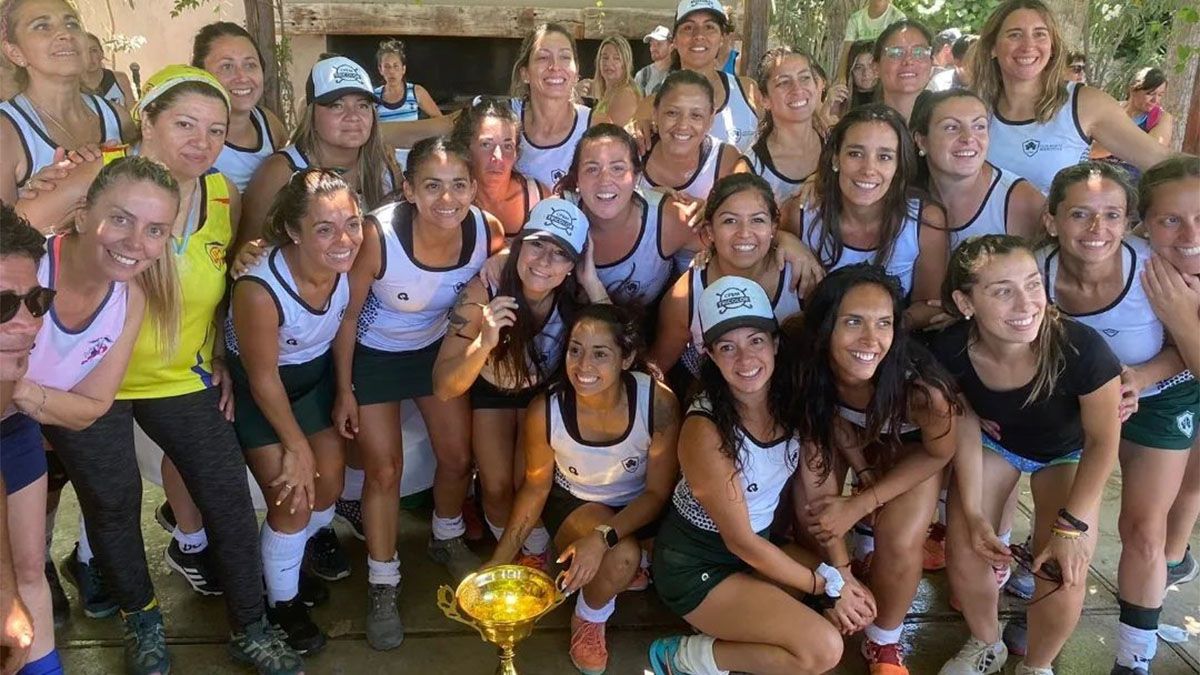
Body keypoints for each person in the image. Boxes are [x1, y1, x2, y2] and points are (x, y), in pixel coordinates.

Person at [331, 136, 504, 649]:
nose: (446, 199)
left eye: (458, 185)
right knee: (384, 469)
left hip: (436, 351)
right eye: (432, 186)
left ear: (474, 188)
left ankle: (445, 535)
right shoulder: (377, 236)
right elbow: (346, 317)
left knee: (457, 457)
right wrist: (344, 388)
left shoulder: (484, 231)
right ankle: (383, 581)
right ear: (408, 189)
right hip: (376, 354)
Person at [646, 275, 855, 675]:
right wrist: (827, 585)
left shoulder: (792, 402)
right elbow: (740, 542)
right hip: (697, 566)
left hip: (756, 551)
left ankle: (730, 624)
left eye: (755, 341)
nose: (744, 360)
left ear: (775, 344)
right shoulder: (703, 428)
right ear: (709, 355)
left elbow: (818, 499)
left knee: (840, 610)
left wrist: (842, 573)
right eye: (728, 347)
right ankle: (681, 657)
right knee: (823, 649)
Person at [934, 234, 1122, 675]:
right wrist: (975, 513)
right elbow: (960, 417)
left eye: (1033, 284)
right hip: (999, 445)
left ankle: (1037, 665)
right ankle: (985, 642)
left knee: (1063, 565)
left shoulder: (1081, 347)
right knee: (965, 540)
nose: (1026, 304)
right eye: (1002, 291)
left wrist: (1072, 528)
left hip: (1067, 455)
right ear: (966, 302)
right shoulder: (951, 348)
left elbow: (1103, 441)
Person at [1036, 162, 1196, 674]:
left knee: (1144, 527)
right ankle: (1046, 626)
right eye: (1080, 214)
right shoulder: (1036, 272)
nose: (1095, 229)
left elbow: (1183, 349)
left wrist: (1141, 378)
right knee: (1063, 524)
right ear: (1052, 220)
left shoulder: (1157, 268)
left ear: (1128, 223)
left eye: (1110, 215)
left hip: (1162, 396)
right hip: (1078, 405)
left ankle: (1134, 658)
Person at [19, 157, 171, 674]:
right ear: (83, 216)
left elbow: (93, 406)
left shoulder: (130, 298)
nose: (135, 242)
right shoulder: (29, 266)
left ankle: (141, 614)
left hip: (30, 402)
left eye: (155, 230)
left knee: (115, 494)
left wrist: (18, 392)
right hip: (19, 411)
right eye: (122, 219)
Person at [485, 304, 681, 675]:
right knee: (622, 558)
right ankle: (590, 618)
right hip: (577, 500)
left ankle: (616, 565)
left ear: (627, 359)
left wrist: (601, 538)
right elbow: (536, 487)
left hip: (642, 505)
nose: (583, 366)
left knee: (656, 566)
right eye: (575, 349)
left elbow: (657, 494)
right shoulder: (548, 409)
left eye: (600, 353)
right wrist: (501, 557)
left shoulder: (658, 402)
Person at [793, 263, 960, 674]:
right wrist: (842, 574)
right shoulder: (806, 364)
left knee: (901, 537)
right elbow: (818, 474)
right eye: (853, 322)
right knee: (807, 508)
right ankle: (835, 592)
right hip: (844, 434)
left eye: (884, 323)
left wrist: (865, 499)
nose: (871, 339)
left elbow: (940, 453)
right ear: (826, 326)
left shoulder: (922, 390)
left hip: (911, 449)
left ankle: (884, 641)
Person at [225, 169, 362, 656]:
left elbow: (346, 321)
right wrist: (296, 446)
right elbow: (262, 378)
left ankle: (296, 553)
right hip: (266, 392)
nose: (343, 238)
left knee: (330, 482)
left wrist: (343, 389)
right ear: (294, 232)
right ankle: (280, 602)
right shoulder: (259, 291)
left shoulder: (350, 260)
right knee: (292, 496)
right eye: (324, 228)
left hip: (316, 378)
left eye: (351, 222)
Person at [433, 198, 609, 574]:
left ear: (572, 266)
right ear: (519, 245)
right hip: (490, 390)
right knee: (496, 485)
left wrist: (592, 280)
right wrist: (484, 342)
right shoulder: (486, 290)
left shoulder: (573, 297)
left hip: (541, 393)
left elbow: (619, 348)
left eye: (560, 254)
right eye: (537, 245)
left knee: (529, 479)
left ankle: (534, 549)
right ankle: (513, 549)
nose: (545, 261)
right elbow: (445, 386)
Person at [970, 0, 1169, 194]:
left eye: (1040, 34)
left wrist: (1144, 225)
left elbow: (1164, 162)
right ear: (992, 47)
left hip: (1053, 228)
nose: (1028, 46)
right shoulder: (970, 107)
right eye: (1015, 35)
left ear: (1053, 46)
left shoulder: (1085, 103)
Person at [784, 103, 951, 330]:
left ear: (899, 166)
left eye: (884, 157)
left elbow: (930, 304)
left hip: (890, 347)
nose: (868, 169)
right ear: (835, 159)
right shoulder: (802, 213)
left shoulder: (924, 220)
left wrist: (874, 331)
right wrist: (783, 238)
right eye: (855, 153)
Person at [239, 55, 399, 251]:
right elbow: (249, 254)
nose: (353, 116)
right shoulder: (281, 172)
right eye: (337, 105)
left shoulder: (385, 166)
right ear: (311, 113)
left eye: (363, 105)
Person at [651, 173, 803, 379]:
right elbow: (656, 369)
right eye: (730, 221)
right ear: (710, 231)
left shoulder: (799, 275)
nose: (744, 233)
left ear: (773, 228)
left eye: (757, 220)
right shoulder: (685, 297)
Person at [0, 0, 133, 216]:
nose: (65, 34)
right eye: (42, 26)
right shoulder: (6, 131)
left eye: (72, 24)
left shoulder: (118, 118)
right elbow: (3, 240)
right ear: (15, 53)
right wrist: (35, 199)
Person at [0, 203, 57, 675]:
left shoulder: (6, 364)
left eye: (36, 301)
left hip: (10, 429)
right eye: (2, 306)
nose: (28, 323)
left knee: (30, 570)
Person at [1138, 156, 1200, 590]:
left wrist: (1181, 318)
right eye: (1171, 220)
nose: (1191, 235)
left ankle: (1172, 560)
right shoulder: (1132, 260)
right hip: (1156, 389)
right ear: (1142, 224)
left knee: (1190, 486)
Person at [910, 88, 1045, 251]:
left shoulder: (1024, 203)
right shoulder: (903, 195)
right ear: (922, 141)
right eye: (951, 127)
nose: (968, 138)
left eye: (979, 126)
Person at [645, 0, 760, 153]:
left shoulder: (748, 91)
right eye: (688, 27)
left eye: (709, 27)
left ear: (721, 38)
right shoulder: (651, 105)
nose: (699, 35)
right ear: (675, 41)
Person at [193, 21, 288, 193]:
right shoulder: (190, 139)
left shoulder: (270, 125)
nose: (242, 77)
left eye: (250, 65)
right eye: (227, 66)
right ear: (200, 73)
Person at [638, 71, 750, 208]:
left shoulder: (726, 161)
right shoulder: (634, 149)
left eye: (696, 115)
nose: (683, 125)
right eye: (672, 113)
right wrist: (645, 198)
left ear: (710, 119)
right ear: (655, 113)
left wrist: (709, 214)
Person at [507, 23, 594, 189]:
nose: (555, 66)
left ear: (576, 73)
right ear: (525, 73)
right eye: (543, 57)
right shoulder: (504, 117)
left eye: (565, 57)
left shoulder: (594, 126)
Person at [449, 97, 547, 237]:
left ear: (516, 154)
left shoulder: (537, 198)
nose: (498, 156)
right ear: (466, 149)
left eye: (507, 146)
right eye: (486, 144)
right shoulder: (450, 199)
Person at [746, 47, 827, 206]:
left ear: (817, 85)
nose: (797, 89)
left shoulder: (840, 146)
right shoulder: (752, 168)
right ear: (764, 99)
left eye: (804, 78)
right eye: (783, 82)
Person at [1090, 68, 1174, 178]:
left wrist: (1109, 143)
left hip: (1131, 181)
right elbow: (1093, 150)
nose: (1155, 100)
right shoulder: (1113, 108)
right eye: (1150, 93)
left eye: (1160, 95)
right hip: (1096, 173)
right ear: (1133, 90)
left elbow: (1149, 152)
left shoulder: (1161, 117)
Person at [872, 20, 935, 123]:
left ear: (931, 63)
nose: (908, 60)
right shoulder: (861, 129)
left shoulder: (948, 124)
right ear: (876, 67)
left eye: (919, 52)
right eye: (896, 52)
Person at [373, 39, 441, 125]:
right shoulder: (374, 97)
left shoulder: (416, 92)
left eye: (396, 66)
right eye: (387, 66)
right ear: (380, 70)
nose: (391, 71)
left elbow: (439, 119)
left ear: (403, 69)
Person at [839, 0, 906, 83]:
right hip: (861, 77)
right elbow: (846, 51)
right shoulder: (856, 19)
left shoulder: (898, 18)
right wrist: (841, 77)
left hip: (886, 74)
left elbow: (900, 53)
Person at [587, 35, 641, 129]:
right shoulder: (609, 91)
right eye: (605, 58)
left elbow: (612, 134)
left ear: (625, 64)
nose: (609, 63)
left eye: (616, 58)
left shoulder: (626, 93)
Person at [829, 39, 877, 120]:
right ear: (851, 71)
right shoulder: (842, 100)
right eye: (858, 67)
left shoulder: (889, 96)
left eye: (871, 66)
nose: (866, 73)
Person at [82, 33, 133, 108]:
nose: (89, 57)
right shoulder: (72, 87)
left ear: (101, 53)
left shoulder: (119, 79)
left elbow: (133, 112)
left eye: (93, 50)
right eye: (82, 52)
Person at [634, 25, 672, 98]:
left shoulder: (678, 72)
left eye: (658, 44)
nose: (653, 47)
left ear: (671, 46)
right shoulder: (642, 76)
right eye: (651, 44)